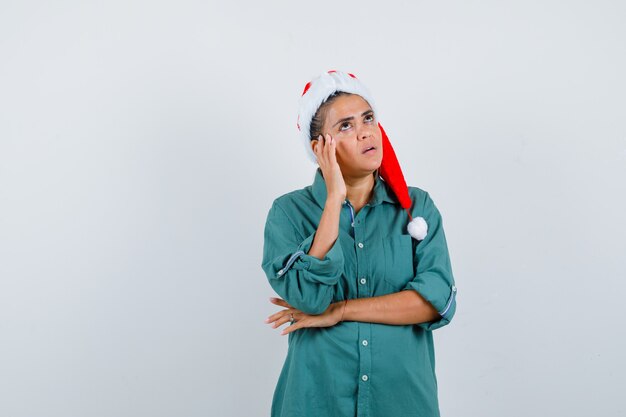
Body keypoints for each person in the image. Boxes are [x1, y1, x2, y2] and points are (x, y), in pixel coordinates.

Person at [261, 70, 457, 417]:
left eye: (368, 118)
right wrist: (333, 199)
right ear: (320, 147)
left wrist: (341, 310)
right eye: (346, 126)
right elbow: (309, 298)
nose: (366, 131)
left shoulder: (416, 209)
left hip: (402, 402)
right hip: (317, 400)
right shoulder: (288, 213)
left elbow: (434, 302)